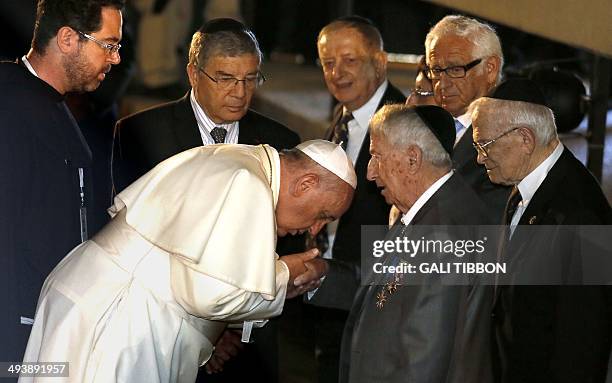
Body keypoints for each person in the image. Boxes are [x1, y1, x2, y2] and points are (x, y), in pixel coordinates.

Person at [21, 140, 356, 383]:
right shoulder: (247, 183)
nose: (315, 228)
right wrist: (285, 274)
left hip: (103, 301)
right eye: (323, 215)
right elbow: (211, 295)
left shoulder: (241, 161)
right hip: (120, 321)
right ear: (306, 184)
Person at [0, 0, 123, 363]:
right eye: (109, 45)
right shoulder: (10, 107)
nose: (115, 59)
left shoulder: (47, 102)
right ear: (68, 38)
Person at [336, 104, 493, 383]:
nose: (370, 173)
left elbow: (424, 357)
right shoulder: (427, 210)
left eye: (376, 157)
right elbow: (384, 288)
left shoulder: (445, 233)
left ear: (412, 159)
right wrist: (323, 277)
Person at [470, 79, 612, 383]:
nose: (480, 158)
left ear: (525, 139)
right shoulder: (523, 187)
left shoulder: (580, 213)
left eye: (484, 145)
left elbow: (584, 346)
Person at [304, 16, 405, 383]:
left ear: (379, 62)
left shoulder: (402, 122)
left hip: (373, 295)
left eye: (350, 60)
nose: (337, 72)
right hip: (332, 287)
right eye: (328, 62)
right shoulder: (343, 117)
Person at [112, 17, 299, 192]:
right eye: (226, 79)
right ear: (194, 75)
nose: (240, 93)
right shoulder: (140, 134)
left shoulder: (279, 143)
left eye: (250, 79)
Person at [424, 15, 510, 219]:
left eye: (455, 69)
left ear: (490, 69)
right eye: (436, 70)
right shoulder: (427, 127)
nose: (442, 84)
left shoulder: (509, 136)